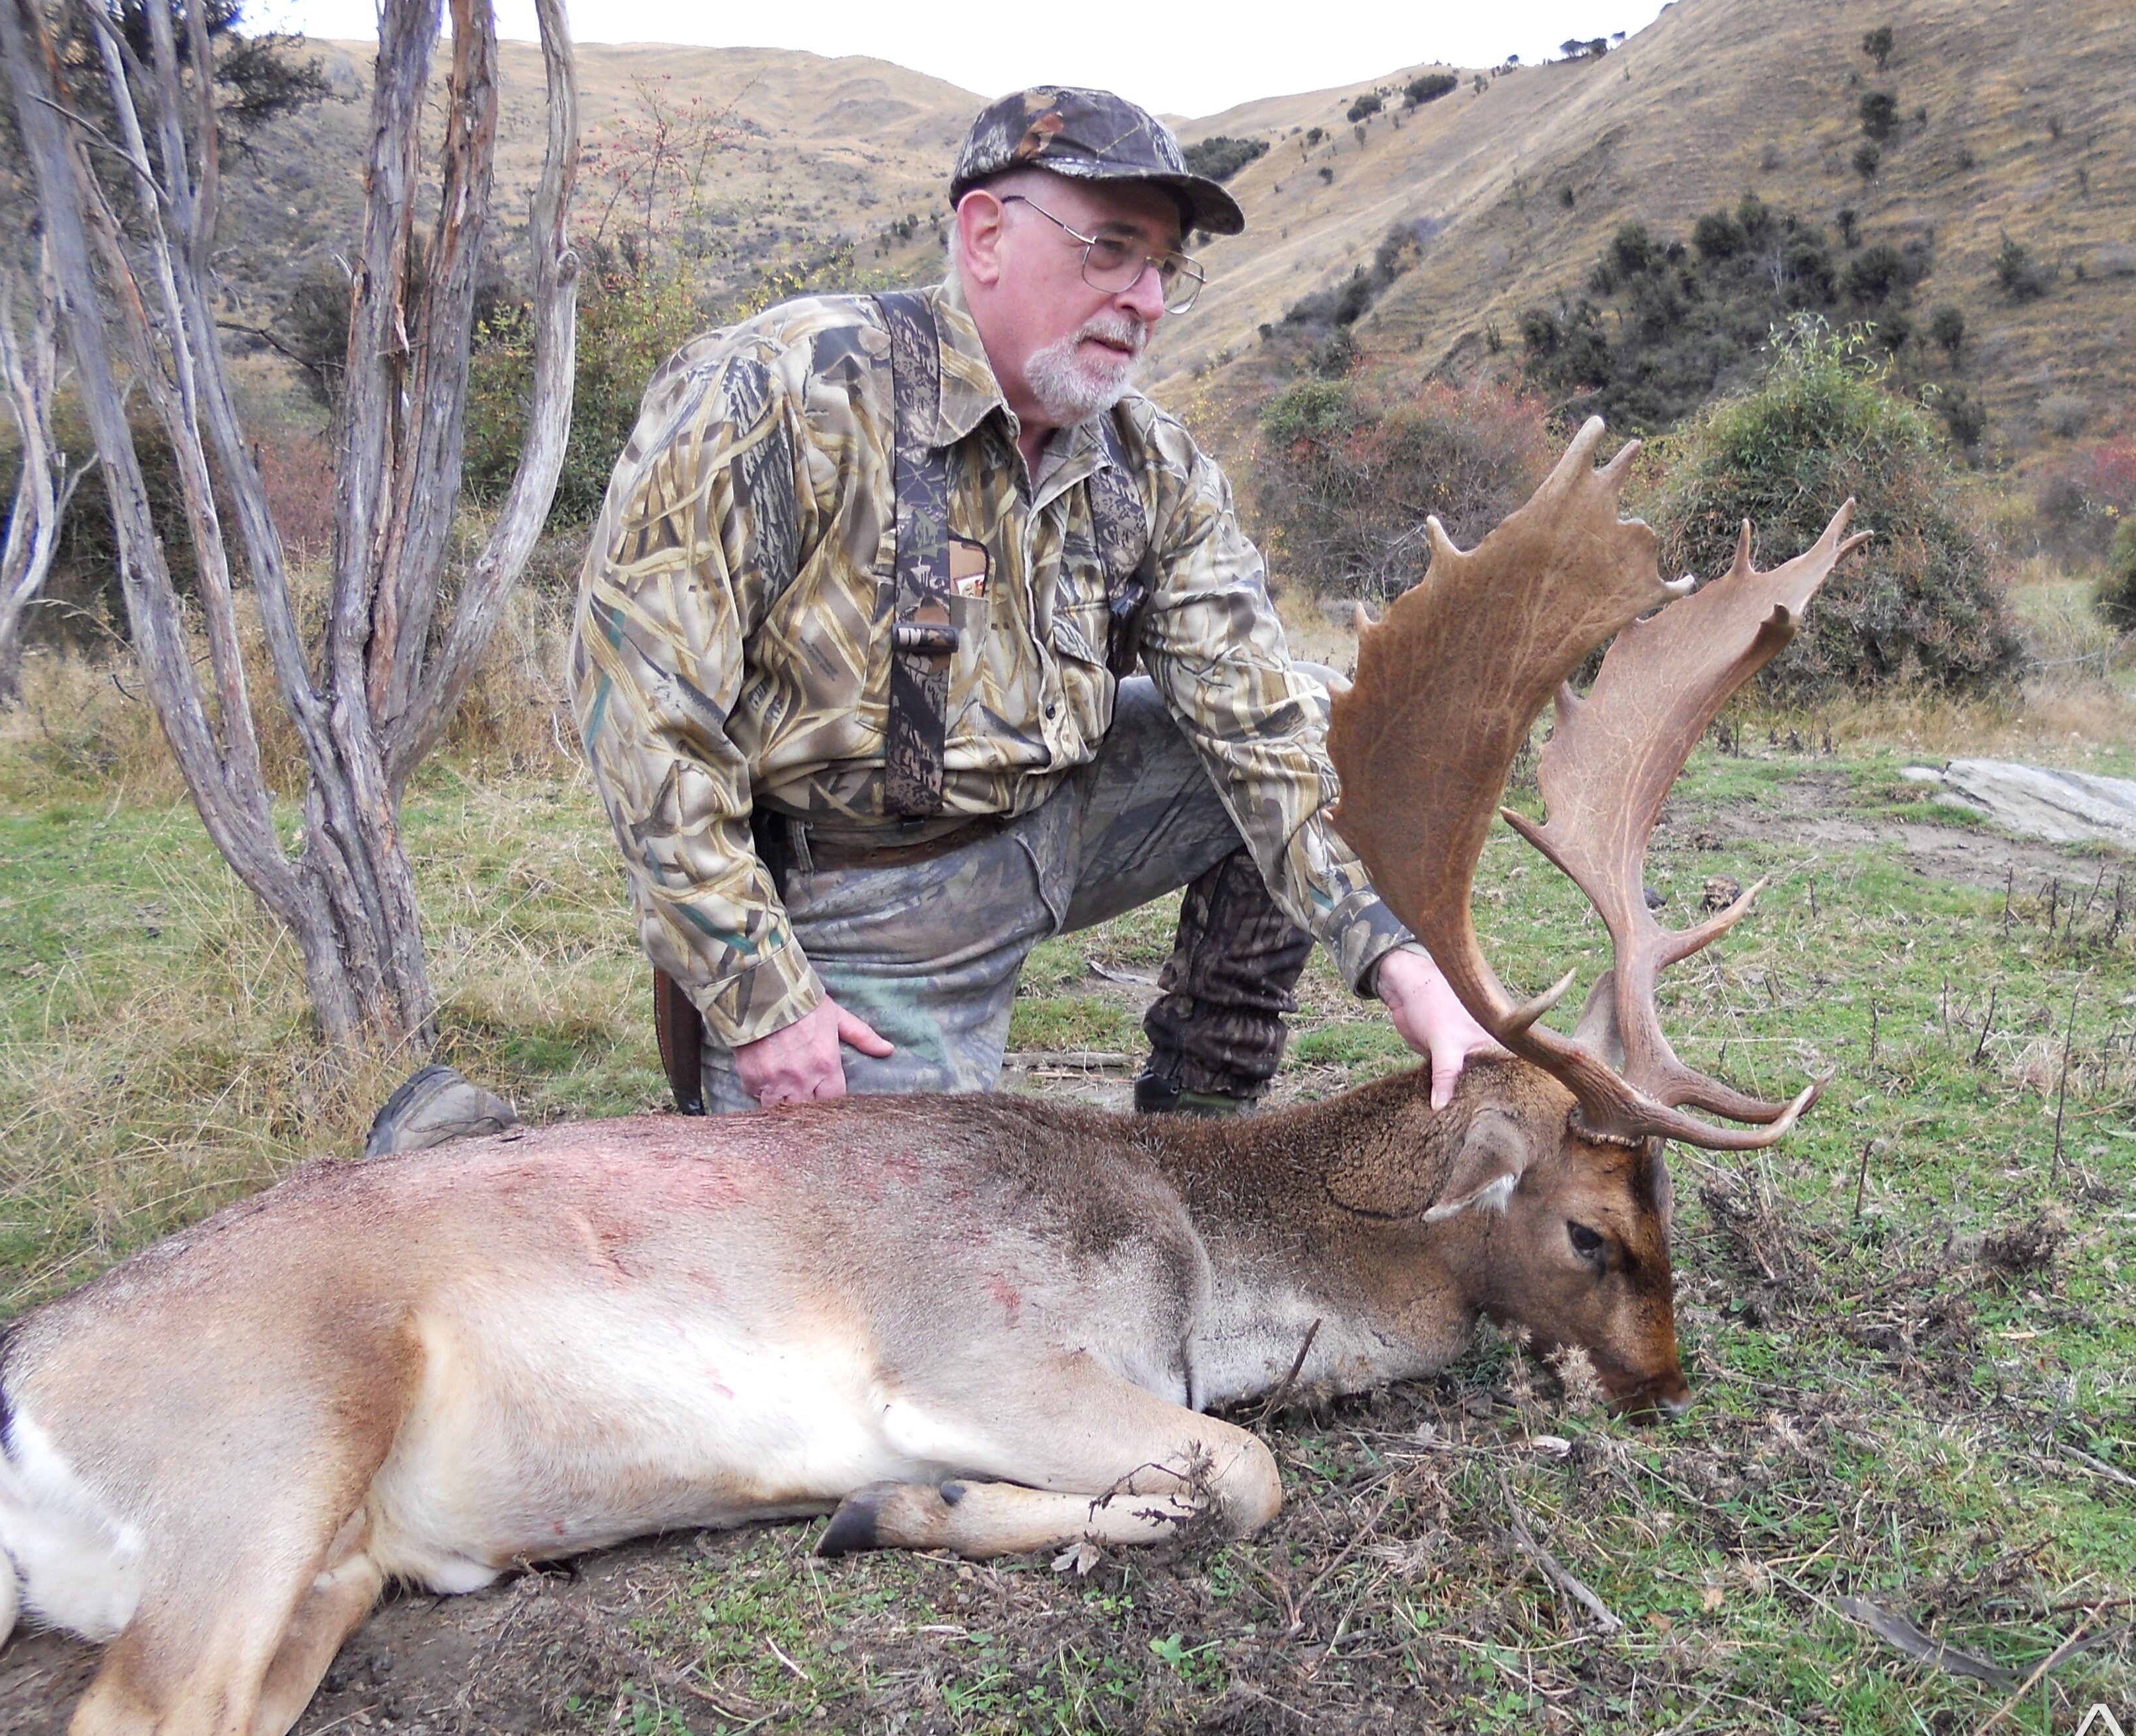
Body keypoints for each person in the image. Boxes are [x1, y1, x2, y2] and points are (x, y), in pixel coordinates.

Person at [569, 86, 1495, 1117]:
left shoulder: (1153, 469)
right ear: (986, 236)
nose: (1145, 298)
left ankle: (1196, 1141)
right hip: (867, 905)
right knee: (904, 1263)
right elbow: (644, 715)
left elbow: (1257, 727)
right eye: (1111, 248)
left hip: (1054, 824)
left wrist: (1394, 956)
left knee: (1320, 715)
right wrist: (761, 997)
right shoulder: (782, 393)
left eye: (1166, 268)